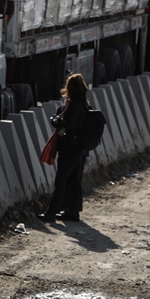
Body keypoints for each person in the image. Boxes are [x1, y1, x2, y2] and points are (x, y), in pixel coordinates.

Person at [39, 73, 91, 223]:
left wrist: (57, 122)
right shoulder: (84, 104)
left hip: (70, 148)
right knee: (75, 180)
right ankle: (73, 211)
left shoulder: (74, 105)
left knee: (61, 179)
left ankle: (52, 212)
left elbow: (70, 127)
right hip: (80, 148)